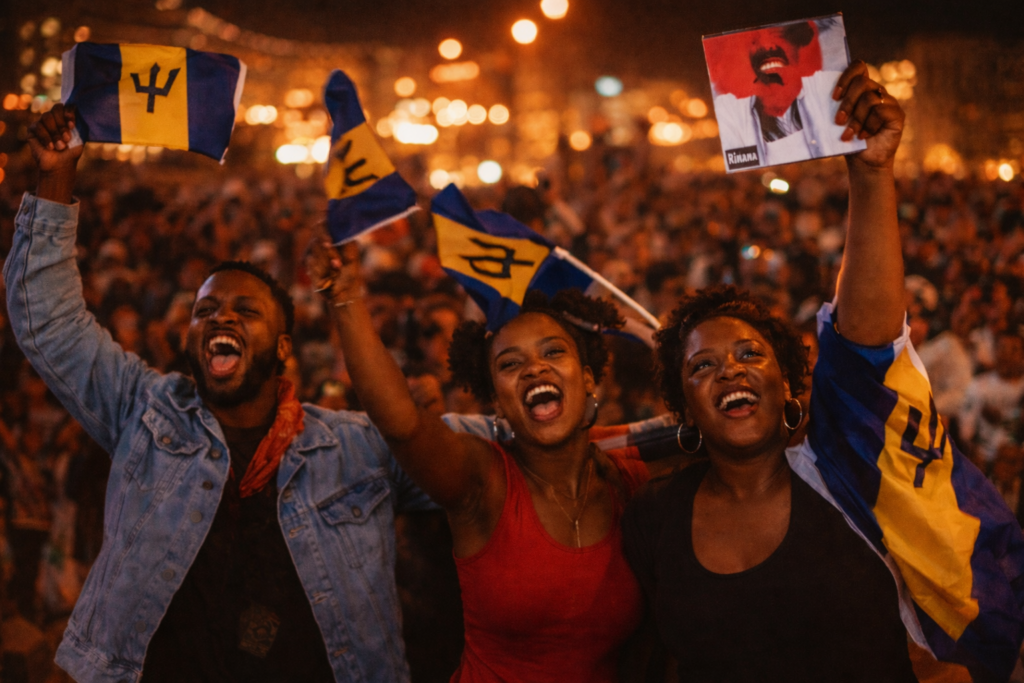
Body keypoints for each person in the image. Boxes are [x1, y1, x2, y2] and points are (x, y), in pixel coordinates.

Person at [6, 104, 495, 683]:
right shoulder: (143, 412)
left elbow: (498, 453)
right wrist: (56, 177)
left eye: (246, 310)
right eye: (205, 310)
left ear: (284, 346)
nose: (222, 318)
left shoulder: (354, 449)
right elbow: (50, 325)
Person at [624, 61, 930, 680]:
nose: (730, 373)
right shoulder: (654, 516)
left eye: (749, 355)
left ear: (788, 382)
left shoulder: (845, 474)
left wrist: (871, 175)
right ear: (684, 407)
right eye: (703, 366)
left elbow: (867, 338)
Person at [308, 235, 675, 681]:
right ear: (496, 401)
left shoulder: (634, 483)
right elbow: (404, 426)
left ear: (589, 377)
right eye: (509, 364)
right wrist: (346, 299)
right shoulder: (482, 480)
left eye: (553, 351)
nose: (535, 369)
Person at [710, 17, 865, 170]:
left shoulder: (830, 88)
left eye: (778, 35)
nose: (767, 46)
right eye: (754, 41)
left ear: (798, 49)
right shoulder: (730, 112)